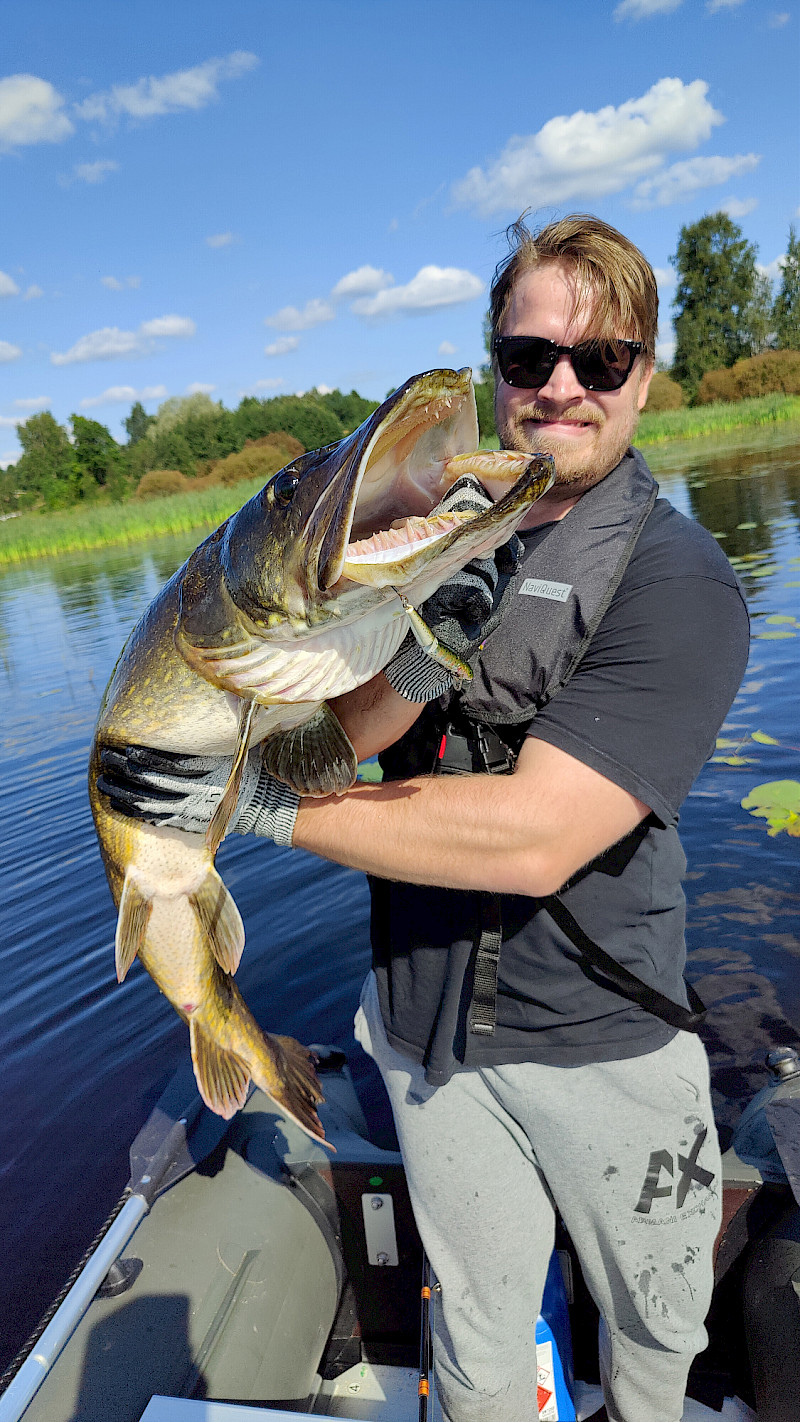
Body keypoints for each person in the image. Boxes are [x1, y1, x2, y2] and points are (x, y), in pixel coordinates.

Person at [101, 215, 750, 1422]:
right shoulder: (426, 552)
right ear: (495, 368)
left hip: (602, 1039)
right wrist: (223, 730)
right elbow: (336, 741)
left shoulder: (681, 586)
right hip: (422, 1033)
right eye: (526, 358)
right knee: (473, 1337)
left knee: (657, 1335)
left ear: (641, 377)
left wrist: (260, 809)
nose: (559, 387)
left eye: (599, 361)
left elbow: (533, 835)